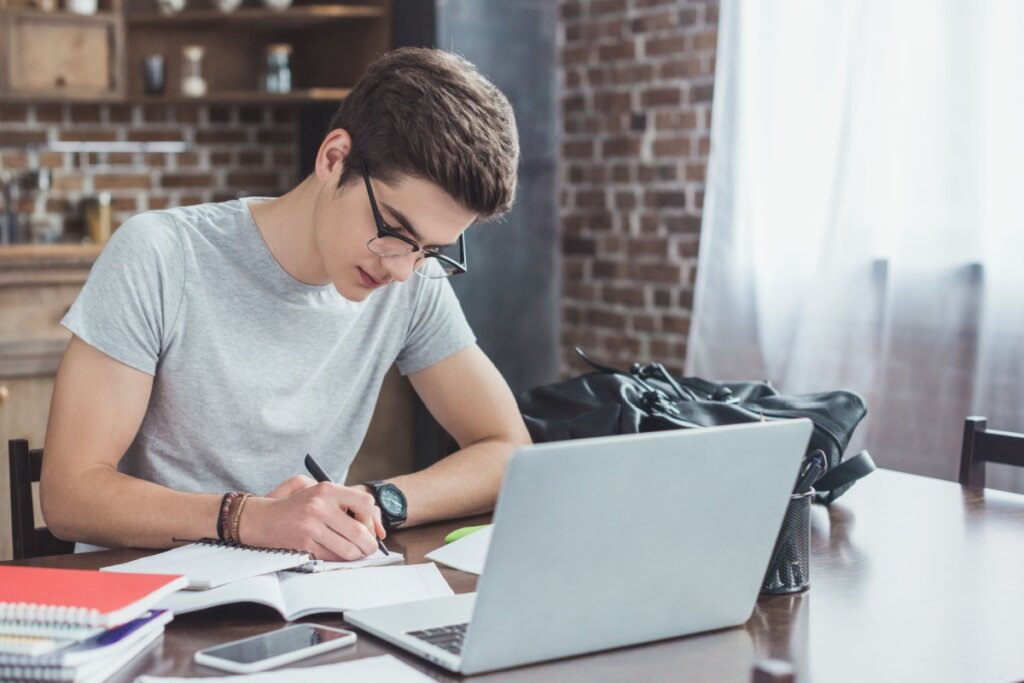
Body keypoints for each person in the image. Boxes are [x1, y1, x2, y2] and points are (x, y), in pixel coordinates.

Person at [40, 48, 531, 561]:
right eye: (394, 230)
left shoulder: (412, 278)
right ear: (333, 158)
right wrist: (252, 519)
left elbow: (505, 447)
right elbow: (69, 494)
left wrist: (375, 501)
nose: (402, 269)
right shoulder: (162, 254)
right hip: (146, 600)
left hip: (304, 601)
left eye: (430, 249)